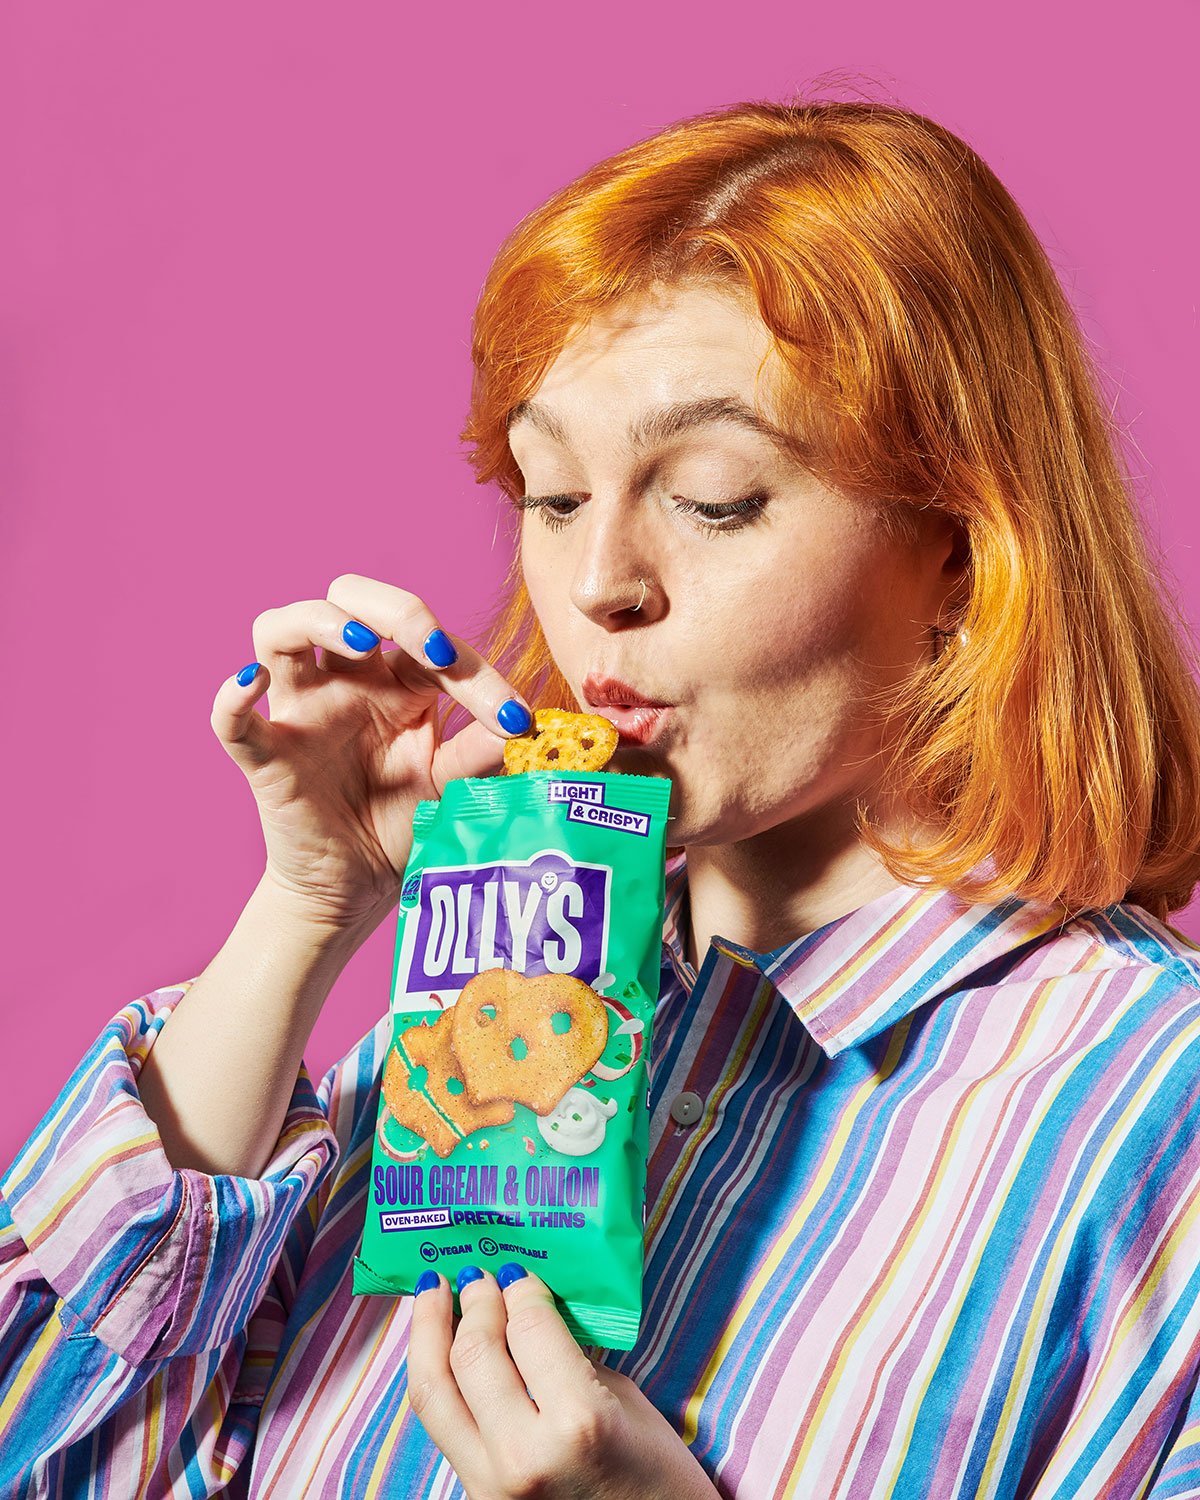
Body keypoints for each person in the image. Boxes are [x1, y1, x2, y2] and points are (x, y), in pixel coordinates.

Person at [3, 93, 1200, 1500]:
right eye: (553, 492)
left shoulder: (1151, 1124)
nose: (593, 588)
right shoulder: (475, 1042)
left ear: (959, 551)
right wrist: (308, 910)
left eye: (710, 497)